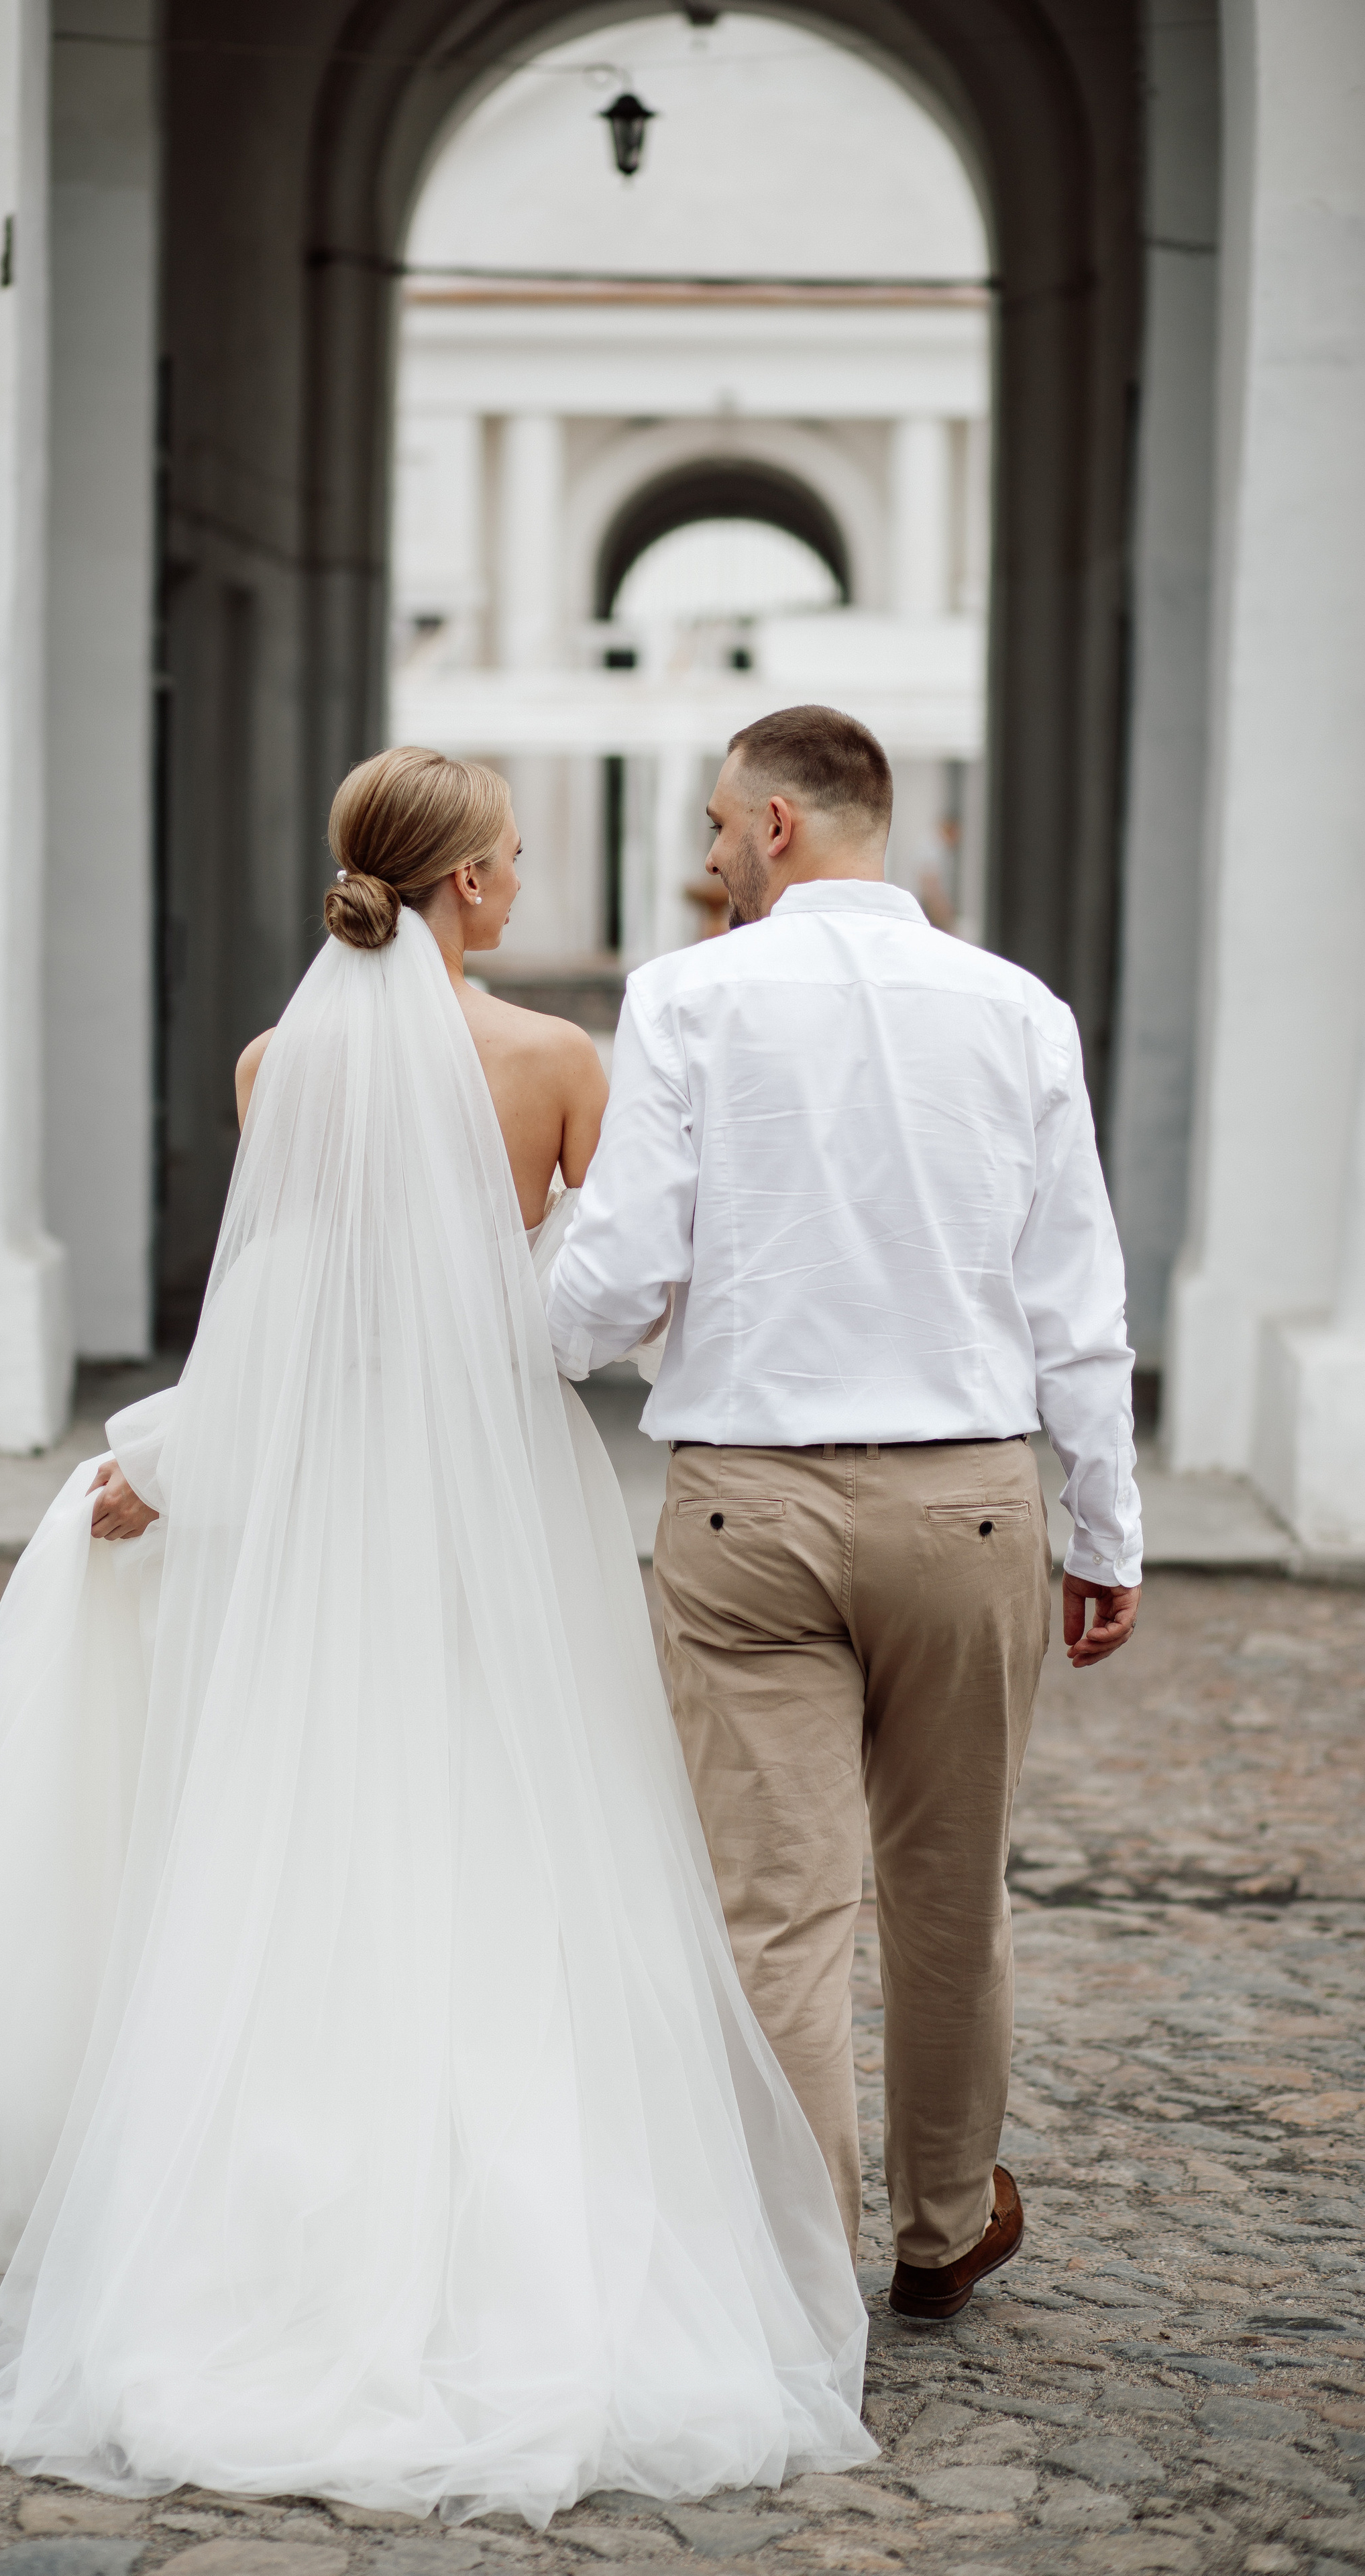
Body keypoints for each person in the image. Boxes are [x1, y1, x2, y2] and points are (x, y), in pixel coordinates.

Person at [0, 746, 875, 2521]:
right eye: (512, 856)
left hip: (327, 1493)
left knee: (308, 1818)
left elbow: (282, 1303)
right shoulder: (560, 1065)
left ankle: (255, 2220)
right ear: (472, 888)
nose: (521, 873)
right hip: (495, 1501)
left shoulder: (280, 1063)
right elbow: (599, 1307)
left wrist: (175, 1458)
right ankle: (526, 2229)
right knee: (514, 1821)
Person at [543, 704, 1143, 2324]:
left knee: (775, 1911)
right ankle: (941, 2230)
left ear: (784, 826)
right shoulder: (1021, 1013)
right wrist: (1104, 1532)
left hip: (745, 1512)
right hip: (964, 1504)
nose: (711, 854)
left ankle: (796, 2278)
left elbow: (622, 1267)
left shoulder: (682, 997)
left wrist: (516, 1340)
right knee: (952, 1897)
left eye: (723, 825)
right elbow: (1075, 1301)